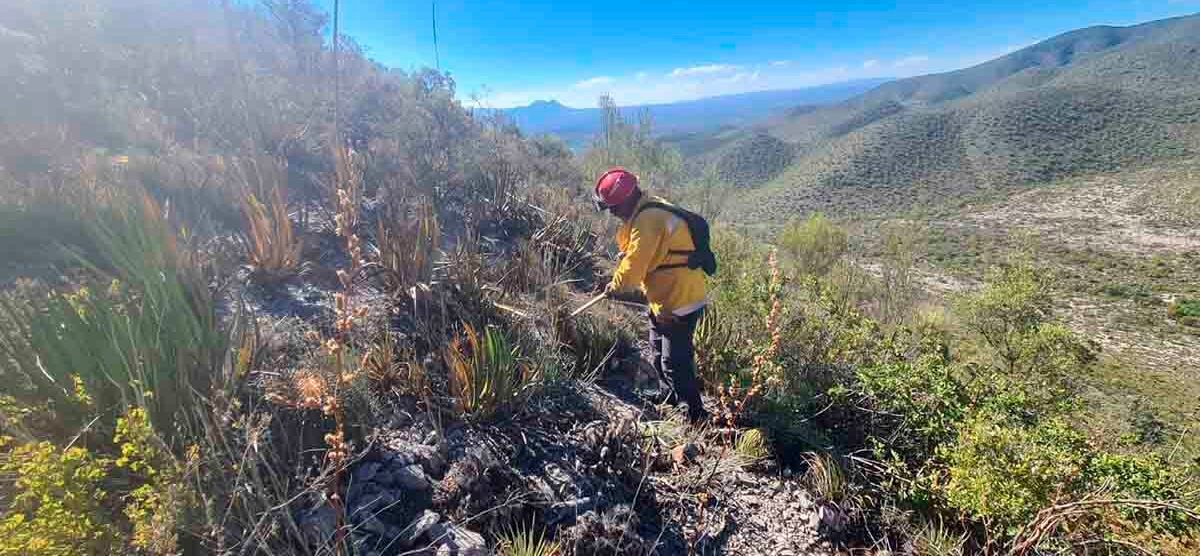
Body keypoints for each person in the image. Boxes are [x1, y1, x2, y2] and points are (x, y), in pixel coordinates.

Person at [593, 167, 710, 424]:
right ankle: (668, 395)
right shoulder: (648, 208)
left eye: (613, 206)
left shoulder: (648, 220)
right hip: (664, 298)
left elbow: (635, 266)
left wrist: (616, 286)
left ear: (626, 200)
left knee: (674, 361)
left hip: (679, 300)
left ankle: (694, 415)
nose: (611, 212)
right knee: (657, 349)